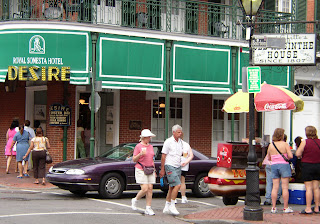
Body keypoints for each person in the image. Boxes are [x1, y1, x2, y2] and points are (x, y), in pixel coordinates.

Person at [267, 128, 293, 213]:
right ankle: (285, 208)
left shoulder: (271, 145)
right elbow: (290, 156)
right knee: (285, 187)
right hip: (284, 165)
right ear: (282, 135)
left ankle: (273, 207)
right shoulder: (285, 144)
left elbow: (269, 157)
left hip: (274, 166)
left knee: (274, 187)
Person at [131, 129, 156, 216]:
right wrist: (140, 154)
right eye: (148, 137)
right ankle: (135, 199)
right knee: (145, 188)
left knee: (150, 188)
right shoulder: (138, 146)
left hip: (150, 169)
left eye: (150, 137)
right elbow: (134, 159)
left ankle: (148, 208)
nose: (149, 138)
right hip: (141, 168)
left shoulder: (151, 147)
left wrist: (154, 169)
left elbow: (152, 159)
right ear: (144, 138)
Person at [296, 126, 320, 214]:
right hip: (318, 165)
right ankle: (317, 207)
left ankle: (308, 208)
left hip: (307, 165)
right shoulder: (319, 141)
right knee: (316, 188)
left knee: (308, 188)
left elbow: (298, 153)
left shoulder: (305, 142)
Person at [160, 124, 183, 215]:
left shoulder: (181, 142)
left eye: (181, 132)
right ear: (173, 132)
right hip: (170, 165)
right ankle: (173, 205)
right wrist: (163, 169)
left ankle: (167, 205)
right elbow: (163, 155)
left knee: (172, 187)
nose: (180, 134)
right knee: (177, 185)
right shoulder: (168, 142)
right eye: (178, 132)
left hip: (178, 166)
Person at [179, 133, 194, 204]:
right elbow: (191, 156)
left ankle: (173, 198)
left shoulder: (174, 144)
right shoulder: (186, 145)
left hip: (175, 165)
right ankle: (183, 197)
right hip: (184, 165)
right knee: (182, 181)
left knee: (174, 182)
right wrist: (185, 162)